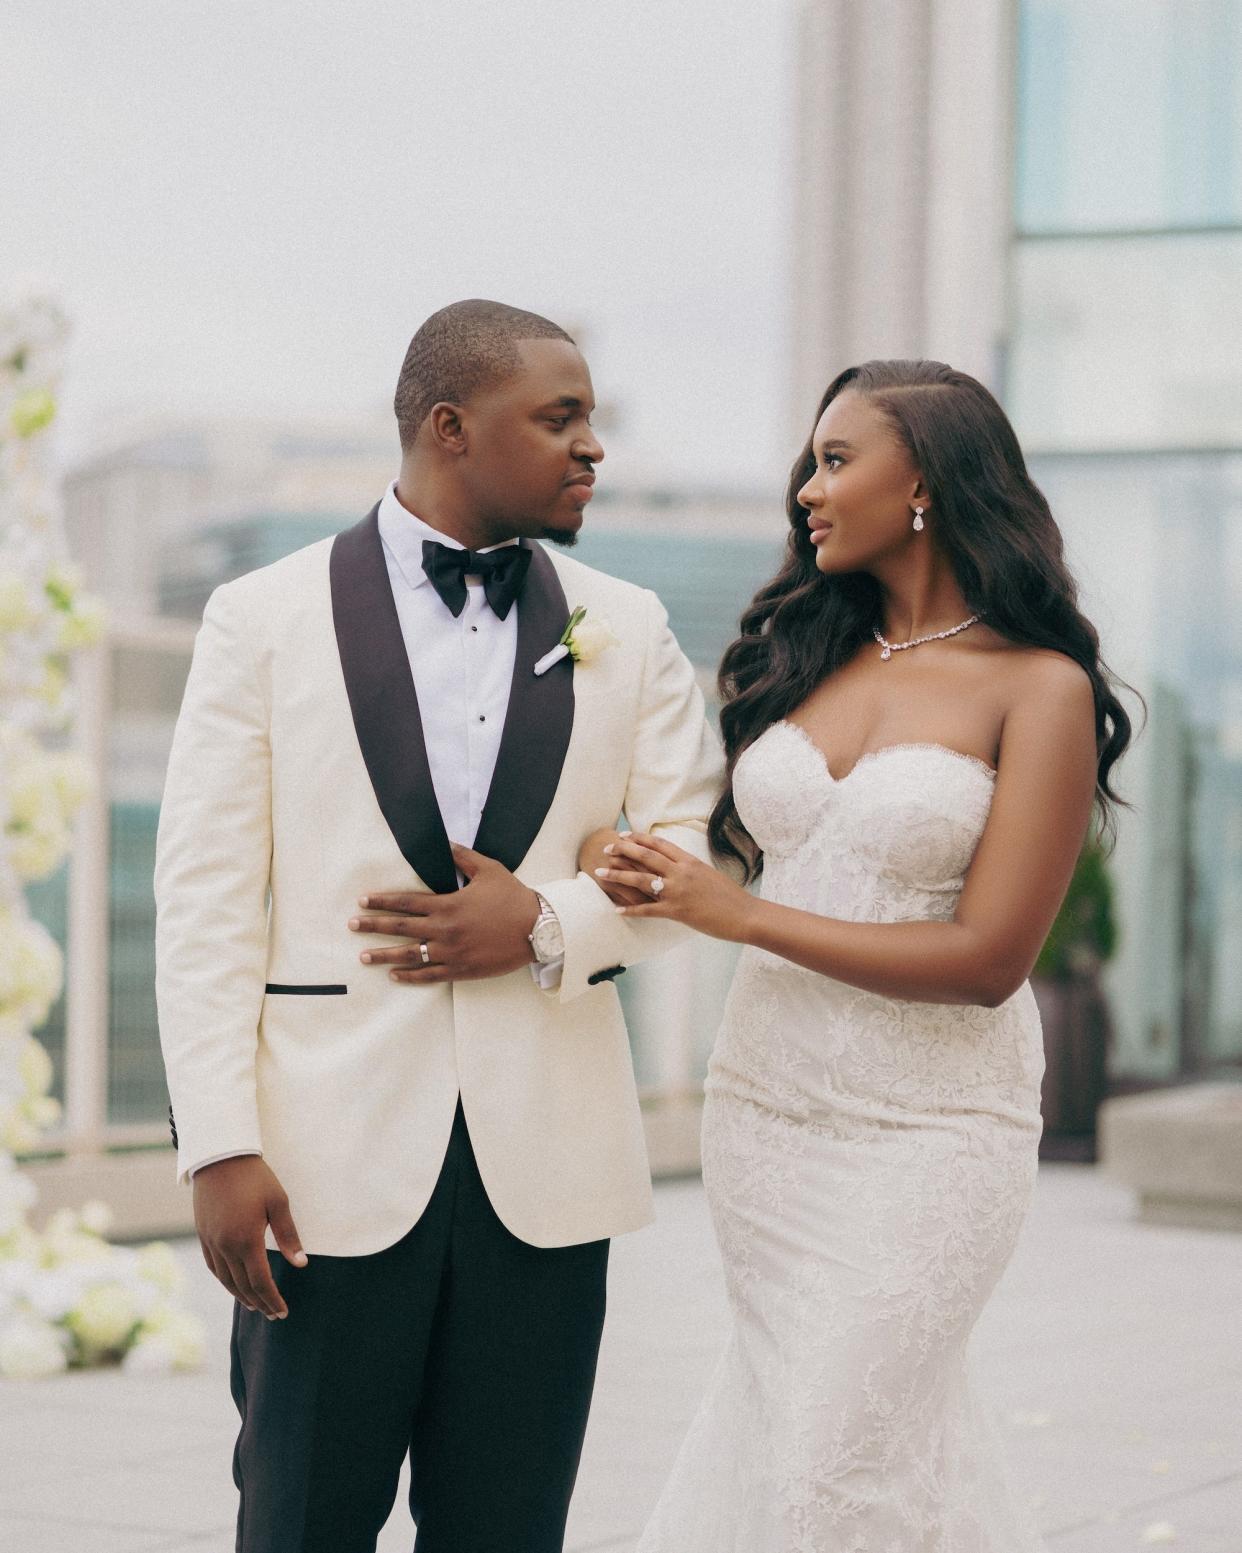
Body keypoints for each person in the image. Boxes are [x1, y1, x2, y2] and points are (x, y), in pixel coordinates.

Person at [154, 299, 723, 1553]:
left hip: (548, 1176)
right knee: (302, 1524)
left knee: (509, 1529)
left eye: (593, 420)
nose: (592, 449)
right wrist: (217, 1146)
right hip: (321, 1169)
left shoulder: (624, 626)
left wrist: (548, 921)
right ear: (452, 428)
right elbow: (202, 902)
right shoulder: (263, 616)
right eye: (559, 418)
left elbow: (697, 849)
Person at [582, 359, 1135, 1550]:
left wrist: (741, 918)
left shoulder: (1041, 687)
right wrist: (637, 870)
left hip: (933, 1128)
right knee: (816, 1439)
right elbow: (728, 861)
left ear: (925, 480)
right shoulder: (807, 659)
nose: (808, 493)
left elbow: (990, 956)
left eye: (838, 461)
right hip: (766, 1110)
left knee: (835, 1461)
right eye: (809, 464)